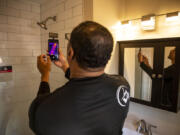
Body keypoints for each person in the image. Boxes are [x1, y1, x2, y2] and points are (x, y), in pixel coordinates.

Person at [29, 21, 130, 135]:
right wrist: (64, 66)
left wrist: (45, 73)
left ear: (70, 53)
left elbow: (40, 107)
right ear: (108, 55)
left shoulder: (46, 107)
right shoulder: (122, 85)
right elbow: (87, 81)